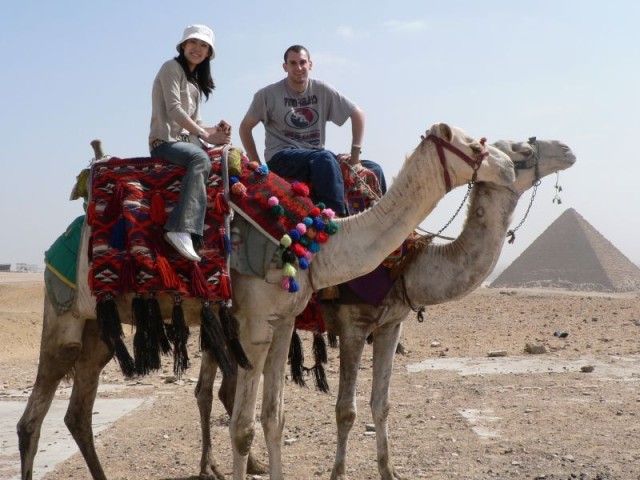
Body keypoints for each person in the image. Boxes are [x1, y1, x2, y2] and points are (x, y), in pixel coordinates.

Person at [240, 44, 384, 216]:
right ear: (285, 67)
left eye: (302, 62)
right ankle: (338, 219)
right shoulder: (268, 94)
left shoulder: (321, 89)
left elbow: (358, 114)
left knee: (374, 168)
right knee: (325, 158)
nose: (298, 68)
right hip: (282, 156)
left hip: (316, 156)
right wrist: (256, 163)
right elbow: (245, 128)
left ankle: (383, 220)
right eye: (293, 63)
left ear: (310, 64)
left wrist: (355, 157)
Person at [149, 24, 231, 262]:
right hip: (165, 142)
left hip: (188, 142)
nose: (198, 48)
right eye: (194, 42)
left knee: (228, 160)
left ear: (208, 53)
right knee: (200, 158)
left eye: (204, 45)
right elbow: (174, 111)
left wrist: (218, 131)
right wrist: (206, 136)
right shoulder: (170, 68)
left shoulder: (194, 85)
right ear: (183, 45)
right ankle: (181, 227)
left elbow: (196, 126)